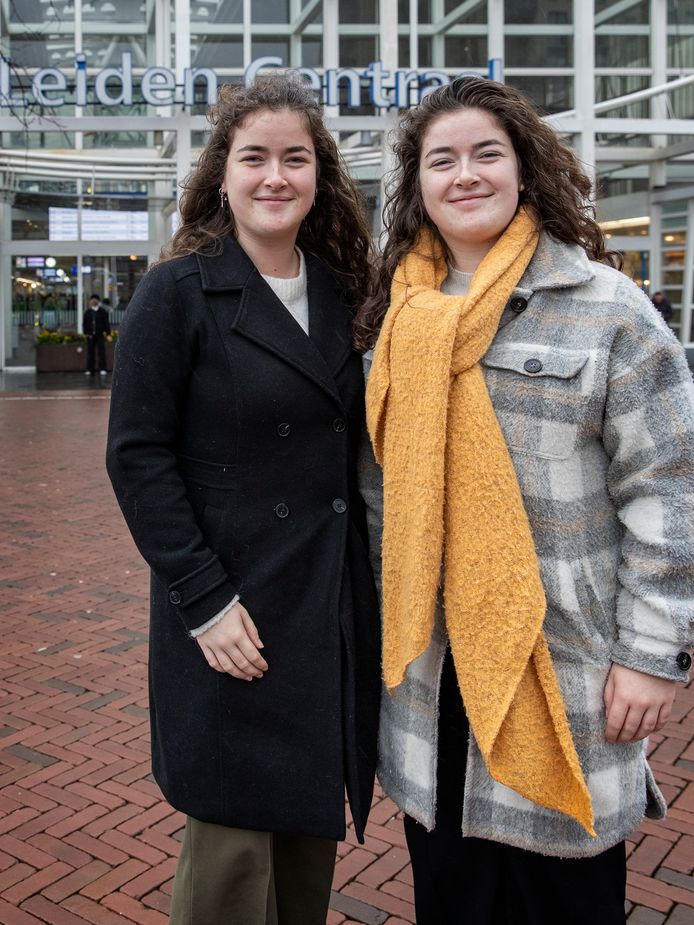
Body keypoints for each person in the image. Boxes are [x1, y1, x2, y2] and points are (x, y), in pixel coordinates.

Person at [355, 76, 694, 925]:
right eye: (442, 160)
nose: (464, 174)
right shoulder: (396, 319)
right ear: (419, 185)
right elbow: (376, 495)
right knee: (453, 902)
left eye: (485, 154)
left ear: (523, 170)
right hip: (433, 683)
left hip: (565, 670)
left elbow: (668, 487)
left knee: (565, 903)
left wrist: (653, 652)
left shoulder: (606, 310)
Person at [106, 75, 381, 925]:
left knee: (304, 851)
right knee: (230, 862)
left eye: (294, 158)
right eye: (253, 156)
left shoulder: (347, 291)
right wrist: (204, 600)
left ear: (319, 174)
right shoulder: (178, 292)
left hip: (326, 610)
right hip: (233, 614)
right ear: (221, 173)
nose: (274, 177)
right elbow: (137, 458)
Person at [82, 293, 110, 375]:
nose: (94, 301)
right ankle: (90, 369)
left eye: (95, 299)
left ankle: (103, 368)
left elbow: (106, 323)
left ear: (98, 301)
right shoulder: (87, 312)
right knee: (90, 352)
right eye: (92, 299)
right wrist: (86, 333)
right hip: (90, 335)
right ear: (90, 301)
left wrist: (108, 333)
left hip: (100, 334)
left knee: (101, 352)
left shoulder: (102, 311)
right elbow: (84, 323)